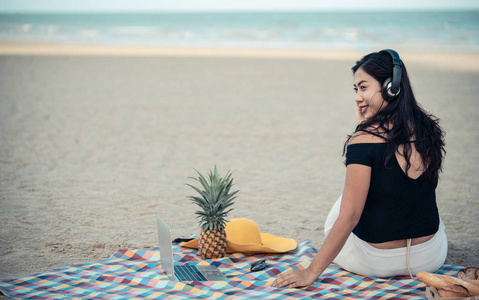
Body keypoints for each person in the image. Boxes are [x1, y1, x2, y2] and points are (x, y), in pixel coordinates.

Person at [272, 49, 447, 288]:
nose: (357, 97)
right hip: (430, 258)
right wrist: (367, 127)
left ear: (391, 87)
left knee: (343, 206)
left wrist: (310, 272)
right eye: (356, 90)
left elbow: (351, 217)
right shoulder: (428, 129)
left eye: (363, 87)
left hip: (375, 261)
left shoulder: (364, 140)